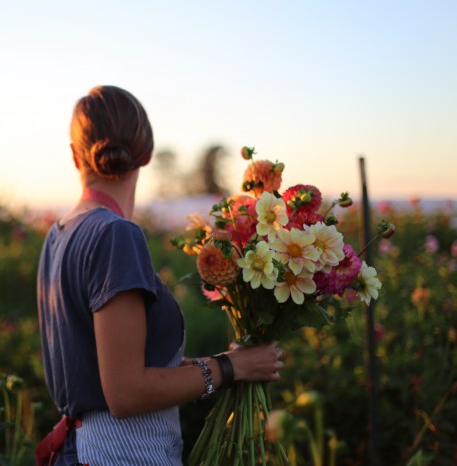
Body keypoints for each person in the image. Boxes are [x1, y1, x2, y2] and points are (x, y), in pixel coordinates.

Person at [36, 85, 284, 466]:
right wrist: (233, 368)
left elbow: (111, 369)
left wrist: (226, 360)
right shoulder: (115, 234)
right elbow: (126, 392)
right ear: (145, 152)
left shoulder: (59, 234)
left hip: (78, 450)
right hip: (118, 455)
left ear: (74, 155)